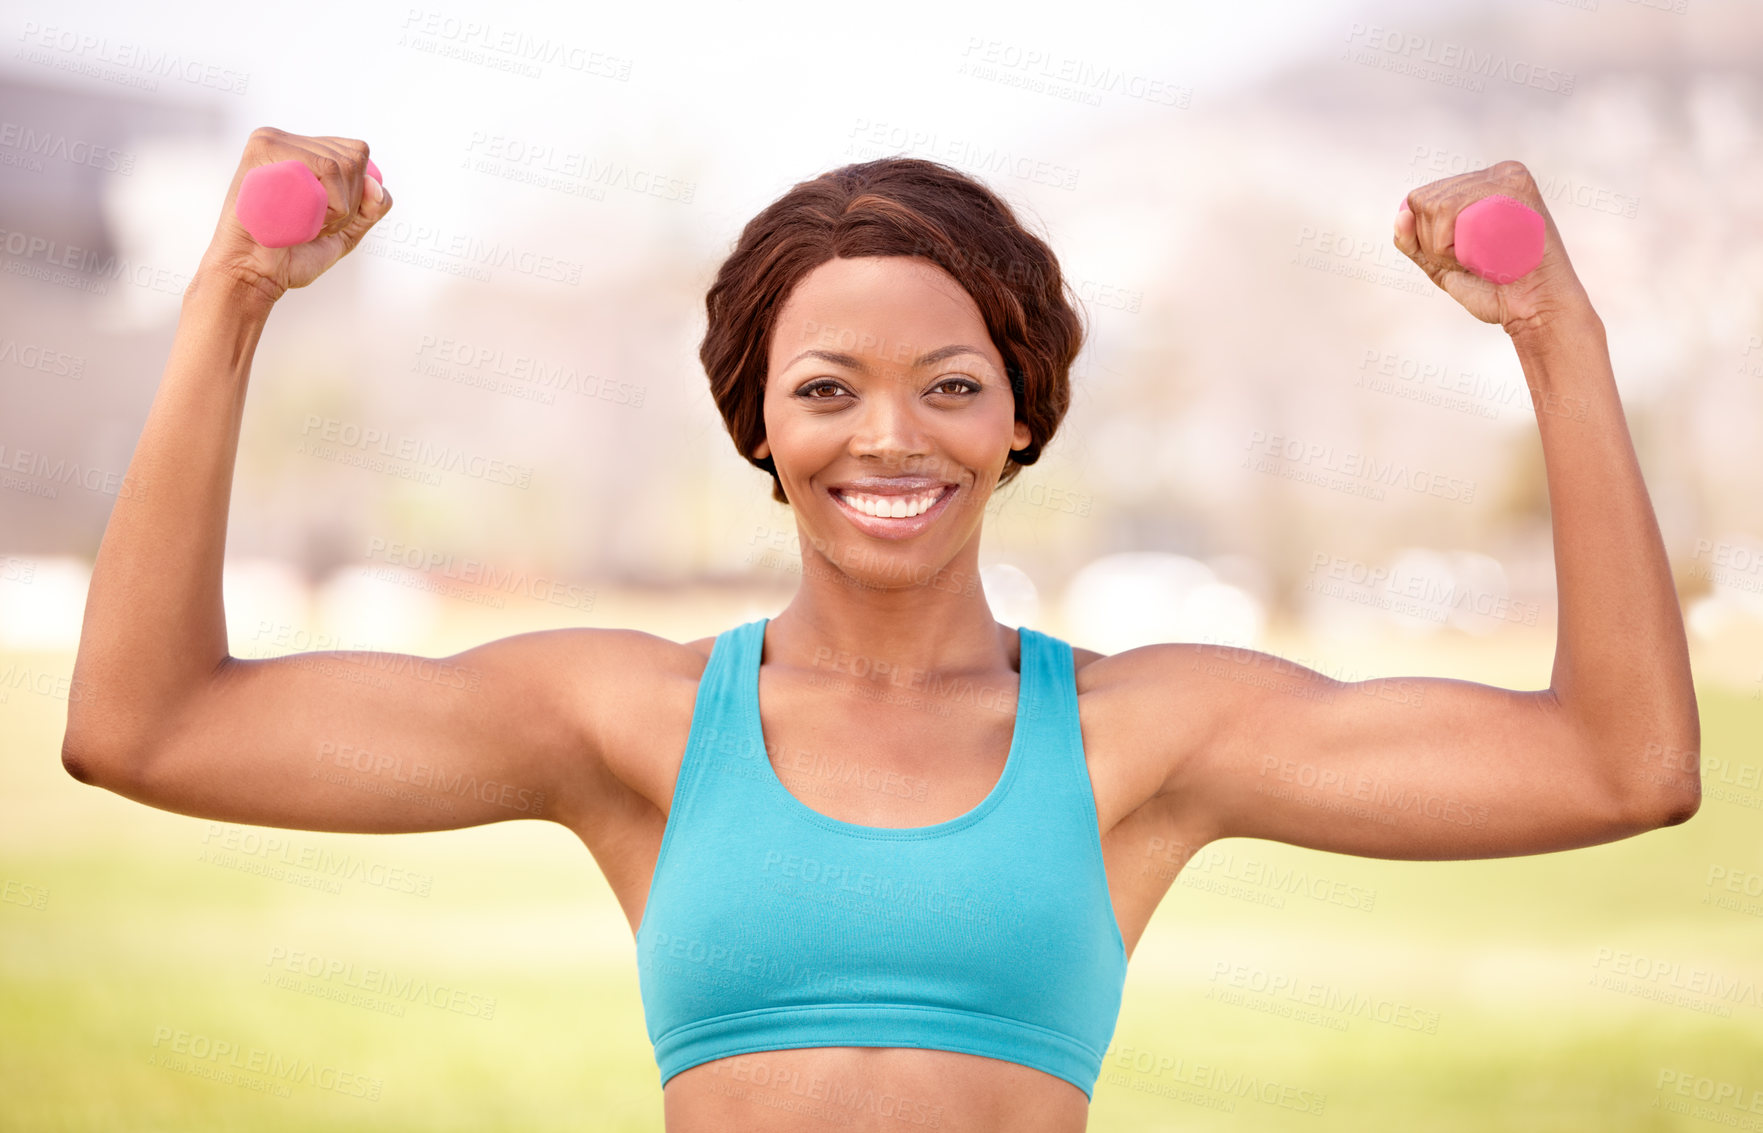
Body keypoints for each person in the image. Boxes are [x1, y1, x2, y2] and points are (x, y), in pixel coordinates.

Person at [61, 127, 1700, 1133]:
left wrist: (1554, 326)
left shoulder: (1141, 739)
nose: (889, 437)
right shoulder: (628, 722)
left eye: (953, 386)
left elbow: (1621, 765)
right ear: (758, 423)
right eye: (827, 389)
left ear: (1020, 420)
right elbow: (144, 726)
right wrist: (233, 295)